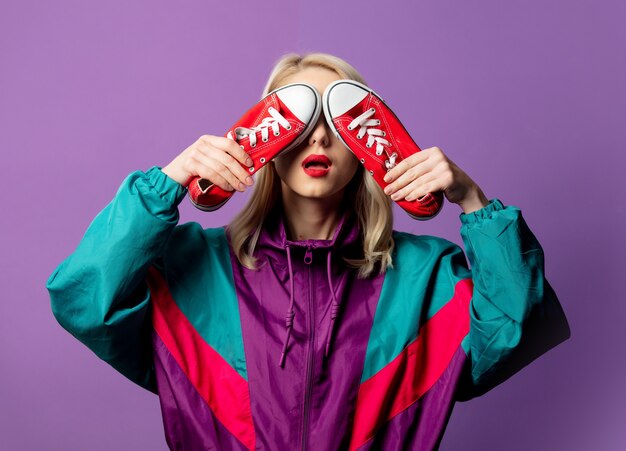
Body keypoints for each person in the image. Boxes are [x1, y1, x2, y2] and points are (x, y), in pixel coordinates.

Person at [46, 52, 570, 450]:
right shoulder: (190, 266)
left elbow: (515, 332)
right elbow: (84, 300)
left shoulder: (426, 275)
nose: (318, 135)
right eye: (297, 116)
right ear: (262, 141)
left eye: (339, 119)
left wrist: (473, 202)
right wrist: (167, 182)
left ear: (369, 145)